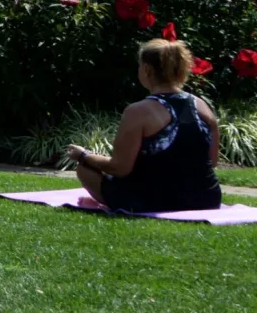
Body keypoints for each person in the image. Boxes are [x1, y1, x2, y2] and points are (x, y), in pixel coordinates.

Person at [67, 39, 222, 213]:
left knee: (85, 170)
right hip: (207, 199)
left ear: (147, 70)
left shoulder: (138, 111)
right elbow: (212, 161)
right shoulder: (203, 106)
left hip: (153, 201)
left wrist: (84, 156)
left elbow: (120, 168)